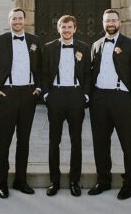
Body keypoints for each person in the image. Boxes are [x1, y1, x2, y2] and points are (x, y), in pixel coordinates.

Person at [87, 9, 131, 200]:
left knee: (128, 143)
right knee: (100, 143)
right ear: (103, 23)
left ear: (119, 22)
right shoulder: (96, 45)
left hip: (123, 99)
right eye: (107, 20)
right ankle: (103, 180)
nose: (110, 23)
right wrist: (91, 97)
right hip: (99, 99)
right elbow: (91, 71)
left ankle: (129, 183)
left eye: (113, 20)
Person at [0, 8, 42, 198]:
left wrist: (38, 88)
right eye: (14, 18)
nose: (17, 21)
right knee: (4, 141)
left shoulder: (34, 41)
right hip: (6, 94)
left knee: (23, 141)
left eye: (20, 18)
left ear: (24, 20)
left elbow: (41, 67)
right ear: (9, 20)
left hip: (28, 93)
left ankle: (21, 180)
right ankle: (2, 183)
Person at [40, 15, 90, 197]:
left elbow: (88, 74)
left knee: (76, 141)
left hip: (76, 96)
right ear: (58, 28)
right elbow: (43, 72)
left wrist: (84, 95)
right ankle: (54, 181)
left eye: (70, 27)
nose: (67, 30)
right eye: (63, 26)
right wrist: (47, 94)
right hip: (56, 95)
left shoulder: (84, 48)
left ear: (75, 29)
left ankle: (74, 181)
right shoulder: (49, 47)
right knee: (55, 141)